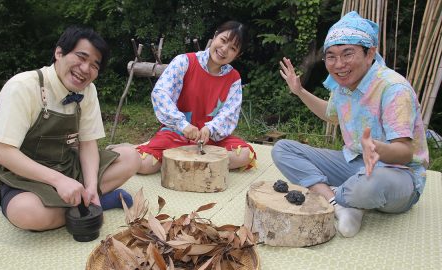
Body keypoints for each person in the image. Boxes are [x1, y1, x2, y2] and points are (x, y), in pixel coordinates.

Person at [272, 11, 429, 237]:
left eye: (348, 54)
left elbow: (405, 153)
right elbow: (330, 113)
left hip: (398, 175)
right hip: (354, 163)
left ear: (370, 53)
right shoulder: (342, 86)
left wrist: (378, 148)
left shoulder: (393, 88)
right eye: (331, 56)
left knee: (369, 185)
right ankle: (339, 204)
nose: (339, 64)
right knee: (282, 149)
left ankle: (345, 195)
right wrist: (299, 91)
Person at [0, 26, 140, 231]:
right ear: (59, 53)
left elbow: (88, 144)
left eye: (94, 65)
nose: (85, 69)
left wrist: (90, 186)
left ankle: (90, 199)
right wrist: (58, 180)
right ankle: (95, 206)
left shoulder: (88, 91)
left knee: (131, 157)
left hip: (69, 167)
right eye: (81, 57)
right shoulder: (22, 86)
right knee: (26, 213)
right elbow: (3, 152)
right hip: (26, 178)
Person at [136, 21, 256, 174]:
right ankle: (201, 165)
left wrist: (210, 129)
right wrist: (182, 125)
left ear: (238, 55)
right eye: (223, 40)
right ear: (215, 36)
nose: (224, 50)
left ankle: (183, 163)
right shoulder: (184, 61)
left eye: (232, 48)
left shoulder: (233, 78)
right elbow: (160, 93)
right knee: (145, 164)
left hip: (211, 139)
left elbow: (229, 114)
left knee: (244, 154)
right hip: (176, 133)